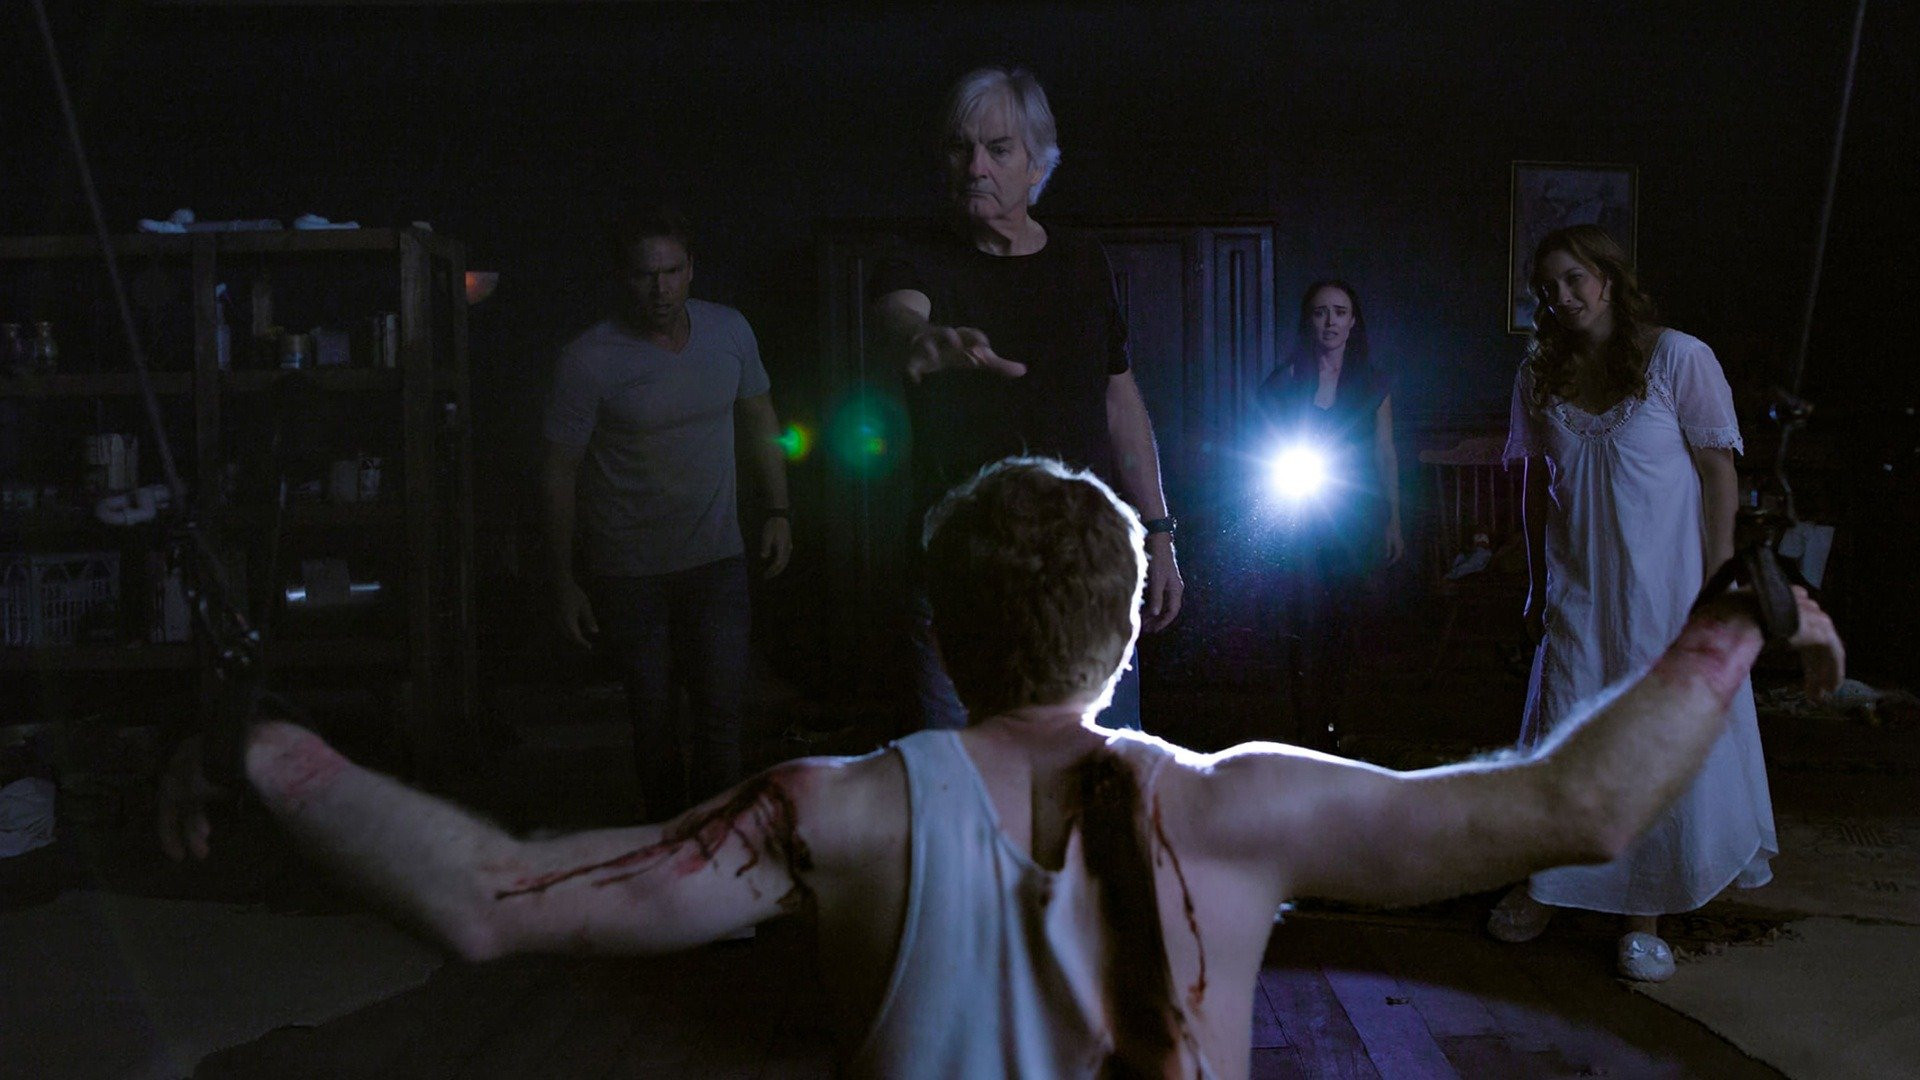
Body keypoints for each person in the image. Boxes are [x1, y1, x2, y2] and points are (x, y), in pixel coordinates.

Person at [160, 456, 1842, 1080]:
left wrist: (267, 746)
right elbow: (1579, 805)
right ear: (1127, 632)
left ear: (946, 632)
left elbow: (487, 898)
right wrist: (1733, 623)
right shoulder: (1239, 805)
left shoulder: (830, 809)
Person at [1490, 223, 1771, 981]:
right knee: (1569, 729)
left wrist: (1717, 577)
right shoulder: (1539, 373)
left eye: (1575, 278)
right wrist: (1536, 583)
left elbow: (1717, 473)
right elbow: (1537, 488)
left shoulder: (1678, 358)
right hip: (1579, 584)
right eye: (1548, 286)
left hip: (1664, 586)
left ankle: (1642, 909)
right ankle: (1549, 882)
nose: (1563, 296)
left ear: (1608, 279)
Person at [869, 66, 1182, 731]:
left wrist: (1160, 533)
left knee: (1098, 768)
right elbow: (898, 319)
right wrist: (922, 341)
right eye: (960, 148)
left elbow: (1120, 400)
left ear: (1038, 162)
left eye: (997, 148)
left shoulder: (1082, 261)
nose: (975, 167)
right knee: (961, 776)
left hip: (1082, 570)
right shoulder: (916, 259)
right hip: (961, 573)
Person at [542, 205, 792, 819]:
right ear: (623, 277)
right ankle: (668, 846)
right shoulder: (589, 359)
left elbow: (761, 420)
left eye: (671, 271)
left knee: (721, 719)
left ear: (691, 269)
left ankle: (713, 851)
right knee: (653, 723)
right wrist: (563, 579)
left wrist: (779, 510)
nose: (659, 289)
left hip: (717, 558)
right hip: (630, 570)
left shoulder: (728, 331)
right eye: (644, 274)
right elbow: (558, 471)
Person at [1255, 280, 1403, 751]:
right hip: (1302, 516)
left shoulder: (1372, 382)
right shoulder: (1284, 382)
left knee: (1349, 619)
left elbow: (1384, 452)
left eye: (1340, 312)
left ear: (1353, 321)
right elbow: (1263, 445)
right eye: (1321, 312)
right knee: (1304, 618)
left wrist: (1394, 520)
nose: (1331, 321)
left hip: (1357, 518)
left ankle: (1341, 723)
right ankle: (1307, 727)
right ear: (1309, 321)